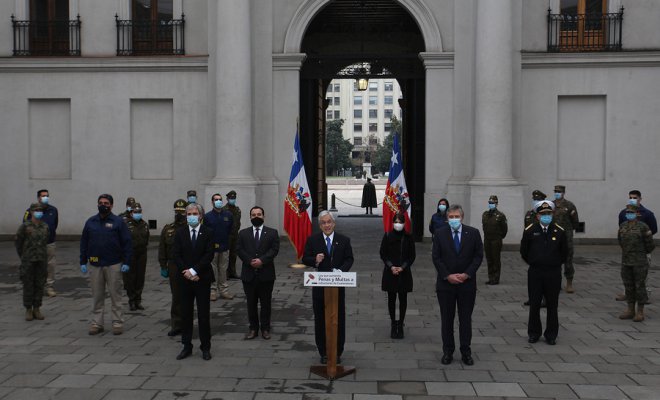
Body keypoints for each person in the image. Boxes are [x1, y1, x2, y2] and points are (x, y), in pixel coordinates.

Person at [432, 204, 483, 366]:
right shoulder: (440, 234)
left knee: (465, 319)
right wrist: (447, 275)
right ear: (447, 218)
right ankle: (448, 351)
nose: (454, 219)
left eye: (457, 217)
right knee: (447, 319)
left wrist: (467, 274)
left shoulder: (473, 233)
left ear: (462, 217)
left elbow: (478, 256)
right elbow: (436, 257)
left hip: (466, 284)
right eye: (451, 217)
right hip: (446, 285)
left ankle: (466, 351)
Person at [302, 211, 354, 364]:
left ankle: (337, 351)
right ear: (320, 225)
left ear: (334, 223)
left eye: (329, 222)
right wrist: (315, 260)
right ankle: (323, 351)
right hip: (320, 288)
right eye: (323, 223)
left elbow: (349, 259)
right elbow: (305, 258)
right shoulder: (313, 240)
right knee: (320, 319)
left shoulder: (344, 240)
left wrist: (341, 270)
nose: (327, 225)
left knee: (338, 319)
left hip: (337, 287)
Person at [80, 194, 132, 336]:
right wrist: (82, 261)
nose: (103, 205)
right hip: (95, 264)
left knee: (116, 295)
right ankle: (97, 323)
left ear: (111, 205)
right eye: (101, 202)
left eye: (106, 203)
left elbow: (127, 243)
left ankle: (117, 322)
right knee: (97, 295)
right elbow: (84, 243)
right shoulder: (91, 222)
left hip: (113, 264)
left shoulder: (118, 222)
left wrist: (127, 262)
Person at [520, 200, 567, 346]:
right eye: (543, 214)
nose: (546, 216)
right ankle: (534, 333)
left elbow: (565, 253)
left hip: (553, 273)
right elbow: (524, 251)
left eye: (548, 213)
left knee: (552, 304)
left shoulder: (559, 231)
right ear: (538, 216)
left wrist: (553, 262)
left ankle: (551, 334)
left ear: (552, 214)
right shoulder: (529, 230)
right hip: (535, 272)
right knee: (534, 303)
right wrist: (535, 261)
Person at [172, 203, 215, 360]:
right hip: (184, 279)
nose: (191, 216)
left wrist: (195, 271)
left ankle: (205, 347)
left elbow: (209, 254)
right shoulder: (180, 233)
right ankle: (186, 346)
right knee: (186, 314)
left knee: (203, 315)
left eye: (194, 213)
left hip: (202, 279)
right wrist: (187, 272)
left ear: (200, 215)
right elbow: (176, 254)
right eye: (189, 213)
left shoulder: (208, 232)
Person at [237, 206, 280, 340]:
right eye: (253, 214)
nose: (256, 216)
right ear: (250, 217)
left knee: (266, 303)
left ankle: (265, 329)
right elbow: (239, 249)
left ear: (263, 216)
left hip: (266, 274)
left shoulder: (272, 233)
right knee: (251, 303)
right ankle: (253, 328)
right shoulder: (243, 233)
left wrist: (262, 260)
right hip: (248, 275)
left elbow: (274, 250)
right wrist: (250, 261)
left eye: (259, 214)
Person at [616, 190, 657, 303]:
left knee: (642, 275)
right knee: (627, 275)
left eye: (635, 197)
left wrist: (642, 241)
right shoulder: (623, 213)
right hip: (628, 250)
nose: (632, 199)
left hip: (642, 250)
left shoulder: (647, 213)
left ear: (640, 199)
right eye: (630, 197)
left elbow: (653, 229)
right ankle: (627, 294)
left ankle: (645, 296)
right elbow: (621, 229)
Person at [380, 212, 416, 339]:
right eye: (396, 222)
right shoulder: (388, 235)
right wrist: (391, 266)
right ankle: (393, 323)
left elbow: (412, 255)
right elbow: (383, 253)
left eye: (400, 222)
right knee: (391, 299)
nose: (398, 224)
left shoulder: (408, 237)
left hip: (403, 272)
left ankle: (400, 324)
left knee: (403, 299)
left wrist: (403, 267)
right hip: (391, 272)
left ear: (404, 223)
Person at [618, 203, 655, 322]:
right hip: (626, 261)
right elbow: (620, 242)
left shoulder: (643, 227)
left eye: (631, 213)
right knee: (628, 286)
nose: (629, 214)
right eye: (627, 213)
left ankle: (640, 311)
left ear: (636, 214)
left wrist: (640, 253)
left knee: (639, 286)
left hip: (639, 262)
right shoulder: (623, 226)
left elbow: (650, 245)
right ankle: (630, 310)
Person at [158, 199, 188, 336]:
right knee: (176, 296)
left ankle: (187, 324)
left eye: (182, 212)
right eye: (177, 212)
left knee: (187, 295)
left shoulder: (191, 227)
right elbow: (162, 249)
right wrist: (163, 266)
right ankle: (176, 324)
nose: (179, 214)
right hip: (174, 265)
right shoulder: (168, 229)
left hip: (188, 264)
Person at [15, 203, 49, 321]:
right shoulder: (25, 226)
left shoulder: (45, 226)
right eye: (36, 210)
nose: (39, 212)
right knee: (28, 284)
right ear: (31, 211)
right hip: (28, 260)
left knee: (40, 284)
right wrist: (24, 256)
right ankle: (28, 309)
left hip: (41, 260)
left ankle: (37, 308)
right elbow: (18, 243)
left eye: (40, 210)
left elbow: (46, 242)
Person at [23, 189, 58, 297]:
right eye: (43, 196)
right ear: (38, 198)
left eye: (47, 196)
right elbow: (25, 225)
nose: (45, 198)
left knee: (50, 265)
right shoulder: (30, 211)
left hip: (49, 243)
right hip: (35, 245)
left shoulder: (53, 210)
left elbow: (55, 224)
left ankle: (49, 287)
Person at [204, 193, 234, 301]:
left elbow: (231, 230)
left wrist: (228, 243)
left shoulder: (228, 215)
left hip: (224, 247)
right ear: (212, 202)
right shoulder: (207, 217)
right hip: (212, 248)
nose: (218, 201)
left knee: (223, 269)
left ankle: (224, 290)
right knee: (213, 269)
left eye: (220, 199)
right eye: (216, 199)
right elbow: (205, 232)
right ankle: (212, 291)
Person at [553, 185, 579, 293]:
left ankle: (569, 283)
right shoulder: (551, 205)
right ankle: (556, 283)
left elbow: (575, 222)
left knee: (568, 260)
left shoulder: (569, 205)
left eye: (559, 191)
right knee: (555, 260)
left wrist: (567, 230)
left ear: (563, 193)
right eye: (555, 191)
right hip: (554, 236)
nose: (557, 193)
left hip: (566, 236)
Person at [123, 202, 150, 311]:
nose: (138, 214)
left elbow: (147, 239)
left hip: (142, 253)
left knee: (140, 277)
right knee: (130, 278)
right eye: (135, 212)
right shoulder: (126, 224)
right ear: (131, 212)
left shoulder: (144, 224)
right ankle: (132, 300)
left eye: (139, 212)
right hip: (130, 254)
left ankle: (138, 300)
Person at [523, 189, 547, 307]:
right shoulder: (529, 214)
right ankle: (533, 298)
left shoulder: (547, 215)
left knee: (544, 276)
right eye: (534, 200)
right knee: (533, 277)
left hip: (545, 250)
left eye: (538, 200)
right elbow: (526, 234)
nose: (535, 202)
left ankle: (544, 298)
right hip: (533, 251)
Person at [482, 195, 508, 285]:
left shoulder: (500, 216)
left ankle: (496, 278)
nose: (491, 204)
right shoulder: (485, 214)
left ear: (496, 204)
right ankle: (490, 277)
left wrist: (499, 237)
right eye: (490, 203)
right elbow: (484, 227)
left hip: (496, 240)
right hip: (487, 240)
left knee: (496, 259)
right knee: (489, 259)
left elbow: (504, 229)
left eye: (492, 203)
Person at [222, 190, 242, 279]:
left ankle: (232, 272)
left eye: (233, 198)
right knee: (226, 255)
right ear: (227, 198)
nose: (232, 199)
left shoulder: (237, 209)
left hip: (235, 235)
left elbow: (238, 222)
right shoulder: (224, 210)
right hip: (226, 235)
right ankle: (225, 273)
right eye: (230, 198)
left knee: (234, 254)